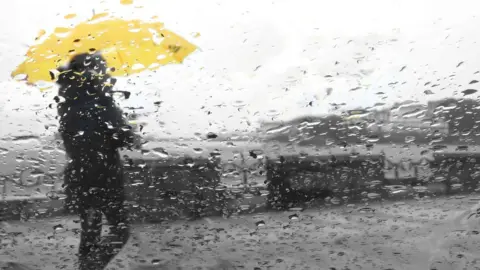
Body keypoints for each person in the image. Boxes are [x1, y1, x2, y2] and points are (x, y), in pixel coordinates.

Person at [54, 52, 134, 270]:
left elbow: (77, 141)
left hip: (79, 175)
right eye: (102, 68)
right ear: (93, 71)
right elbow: (125, 138)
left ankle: (86, 265)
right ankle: (90, 267)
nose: (106, 73)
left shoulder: (67, 102)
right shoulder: (101, 102)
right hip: (105, 176)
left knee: (90, 233)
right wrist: (127, 125)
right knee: (120, 230)